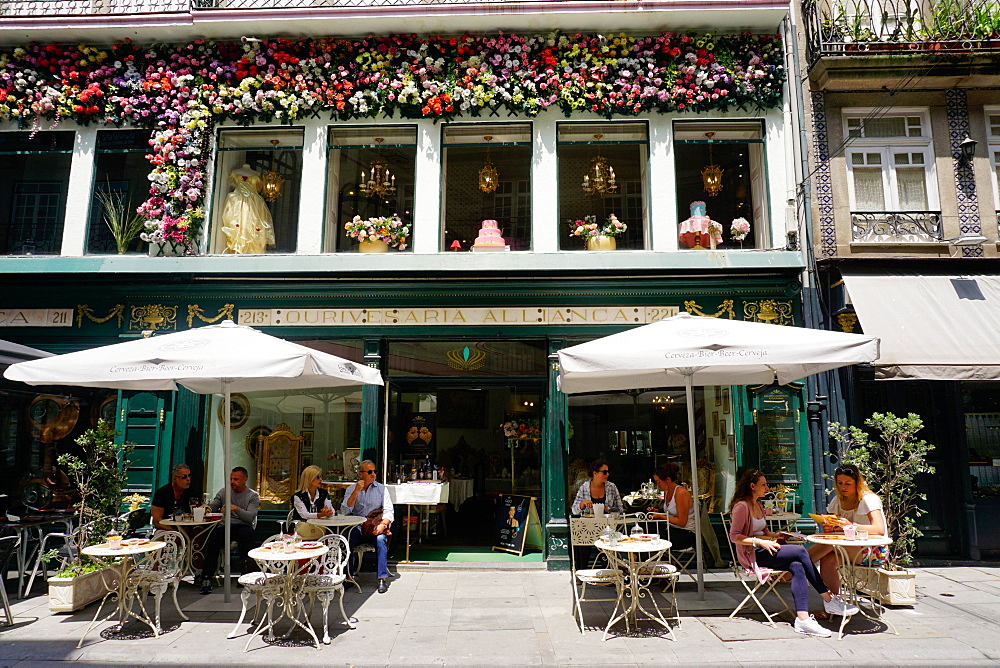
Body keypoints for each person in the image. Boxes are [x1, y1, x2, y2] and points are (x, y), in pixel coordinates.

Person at [728, 469, 858, 637]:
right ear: (752, 486)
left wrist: (778, 536)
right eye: (764, 484)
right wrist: (760, 541)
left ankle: (803, 620)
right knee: (800, 551)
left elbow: (764, 531)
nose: (767, 488)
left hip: (767, 549)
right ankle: (829, 599)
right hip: (753, 554)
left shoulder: (759, 505)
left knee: (797, 565)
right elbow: (735, 537)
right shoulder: (741, 507)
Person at [808, 464, 888, 596]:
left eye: (848, 483)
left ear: (857, 483)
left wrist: (850, 525)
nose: (843, 487)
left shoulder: (867, 499)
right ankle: (832, 604)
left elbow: (879, 529)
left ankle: (792, 570)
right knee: (828, 559)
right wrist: (829, 526)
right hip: (848, 546)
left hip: (874, 550)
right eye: (840, 483)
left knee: (830, 544)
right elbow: (833, 532)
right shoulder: (838, 500)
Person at [197, 467, 260, 594]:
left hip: (243, 525)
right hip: (225, 525)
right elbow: (213, 507)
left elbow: (249, 517)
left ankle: (246, 575)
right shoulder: (224, 492)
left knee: (247, 536)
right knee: (213, 539)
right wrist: (205, 508)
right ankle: (207, 577)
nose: (232, 482)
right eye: (231, 479)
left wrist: (235, 508)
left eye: (236, 479)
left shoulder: (252, 496)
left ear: (245, 479)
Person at [341, 460, 394, 594]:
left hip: (375, 525)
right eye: (369, 472)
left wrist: (383, 525)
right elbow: (345, 511)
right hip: (358, 526)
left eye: (374, 471)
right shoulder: (351, 489)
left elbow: (389, 511)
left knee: (381, 540)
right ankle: (348, 577)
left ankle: (382, 578)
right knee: (348, 539)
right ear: (360, 474)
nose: (373, 474)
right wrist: (356, 491)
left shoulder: (382, 489)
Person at [220, 163, 275, 254]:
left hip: (253, 202)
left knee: (254, 223)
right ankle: (238, 247)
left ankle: (251, 249)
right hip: (238, 201)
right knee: (237, 222)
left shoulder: (256, 174)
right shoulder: (235, 172)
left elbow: (257, 187)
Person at [646, 462, 698, 551]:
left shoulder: (680, 493)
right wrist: (657, 512)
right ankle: (636, 559)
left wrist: (661, 516)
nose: (657, 485)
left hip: (686, 534)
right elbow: (671, 513)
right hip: (672, 529)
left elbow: (682, 522)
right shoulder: (667, 491)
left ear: (668, 479)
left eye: (659, 482)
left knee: (652, 539)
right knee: (646, 528)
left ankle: (638, 560)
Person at [151, 463, 199, 530]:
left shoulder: (192, 492)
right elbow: (157, 520)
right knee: (162, 537)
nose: (188, 479)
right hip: (165, 528)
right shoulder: (162, 493)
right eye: (184, 476)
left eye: (189, 476)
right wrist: (174, 531)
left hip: (187, 527)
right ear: (174, 478)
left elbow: (197, 512)